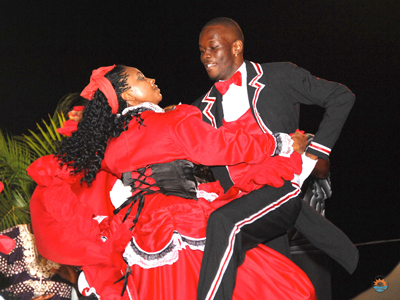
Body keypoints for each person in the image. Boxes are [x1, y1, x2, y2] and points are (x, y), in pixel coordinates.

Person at [29, 65, 316, 299]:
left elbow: (66, 177)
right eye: (141, 78)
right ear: (127, 94)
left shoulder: (110, 143)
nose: (152, 78)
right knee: (282, 288)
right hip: (181, 221)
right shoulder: (171, 122)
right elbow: (224, 147)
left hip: (135, 230)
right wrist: (280, 143)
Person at [192, 17, 358, 300]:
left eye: (213, 47)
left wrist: (316, 154)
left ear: (237, 47)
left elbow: (340, 96)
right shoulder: (202, 108)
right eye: (201, 50)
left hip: (279, 192)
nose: (205, 55)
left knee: (223, 224)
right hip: (241, 201)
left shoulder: (279, 76)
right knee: (271, 286)